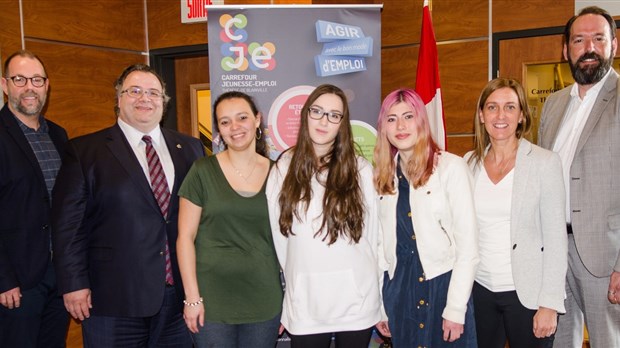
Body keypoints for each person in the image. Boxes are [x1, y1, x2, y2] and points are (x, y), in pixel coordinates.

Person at [51, 64, 204, 347]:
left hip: (176, 299)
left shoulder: (191, 148)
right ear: (118, 98)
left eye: (153, 93)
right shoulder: (85, 151)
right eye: (134, 91)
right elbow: (68, 225)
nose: (144, 98)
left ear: (163, 102)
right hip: (112, 299)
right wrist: (73, 284)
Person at [266, 84, 382, 348]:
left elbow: (374, 237)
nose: (323, 121)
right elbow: (280, 239)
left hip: (356, 302)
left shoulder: (361, 170)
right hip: (306, 303)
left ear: (342, 123)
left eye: (334, 115)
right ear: (305, 113)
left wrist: (381, 304)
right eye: (317, 111)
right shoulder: (283, 168)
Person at [537, 6, 620, 348]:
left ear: (614, 44)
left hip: (606, 253)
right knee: (560, 342)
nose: (589, 48)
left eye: (598, 39)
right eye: (579, 39)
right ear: (565, 50)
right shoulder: (553, 104)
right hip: (555, 251)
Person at [465, 78, 567, 348]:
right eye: (492, 107)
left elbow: (557, 239)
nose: (500, 116)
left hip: (528, 295)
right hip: (479, 291)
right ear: (481, 115)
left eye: (510, 107)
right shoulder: (467, 164)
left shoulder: (545, 163)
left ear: (522, 115)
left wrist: (550, 303)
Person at [177, 91, 282, 347]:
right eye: (225, 122)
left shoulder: (279, 172)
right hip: (211, 300)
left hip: (264, 298)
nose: (235, 127)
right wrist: (192, 298)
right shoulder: (202, 171)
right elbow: (185, 238)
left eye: (242, 117)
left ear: (257, 120)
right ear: (219, 130)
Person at [373, 88, 478, 347]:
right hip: (399, 291)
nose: (400, 126)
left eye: (408, 116)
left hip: (442, 287)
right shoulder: (380, 177)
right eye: (391, 118)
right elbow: (378, 248)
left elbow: (468, 248)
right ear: (383, 127)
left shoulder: (451, 168)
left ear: (421, 120)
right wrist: (381, 306)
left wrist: (455, 308)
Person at [0, 50, 70, 347]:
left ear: (47, 85)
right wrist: (4, 279)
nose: (30, 87)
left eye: (37, 80)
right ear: (5, 85)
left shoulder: (58, 134)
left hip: (60, 276)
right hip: (17, 282)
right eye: (20, 79)